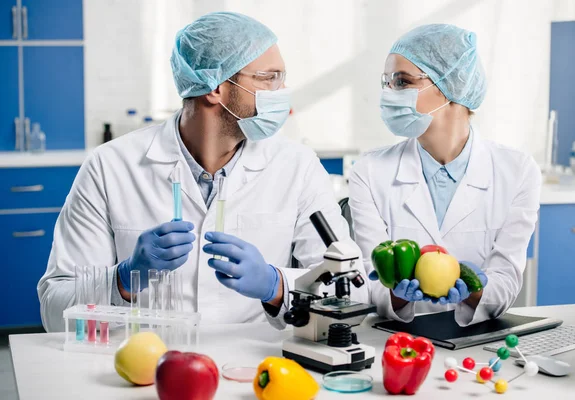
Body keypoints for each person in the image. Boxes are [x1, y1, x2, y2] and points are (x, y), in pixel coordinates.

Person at [38, 12, 368, 332]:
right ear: (215, 88)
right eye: (269, 78)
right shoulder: (109, 166)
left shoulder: (297, 166)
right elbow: (55, 310)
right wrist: (124, 279)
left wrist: (275, 285)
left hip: (251, 369)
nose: (282, 92)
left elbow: (353, 292)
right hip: (141, 368)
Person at [349, 24, 541, 326]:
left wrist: (475, 291)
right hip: (396, 341)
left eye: (401, 81)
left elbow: (505, 283)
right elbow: (369, 283)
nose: (388, 94)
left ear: (449, 85)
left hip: (476, 345)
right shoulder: (369, 172)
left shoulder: (517, 171)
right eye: (385, 82)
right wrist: (399, 295)